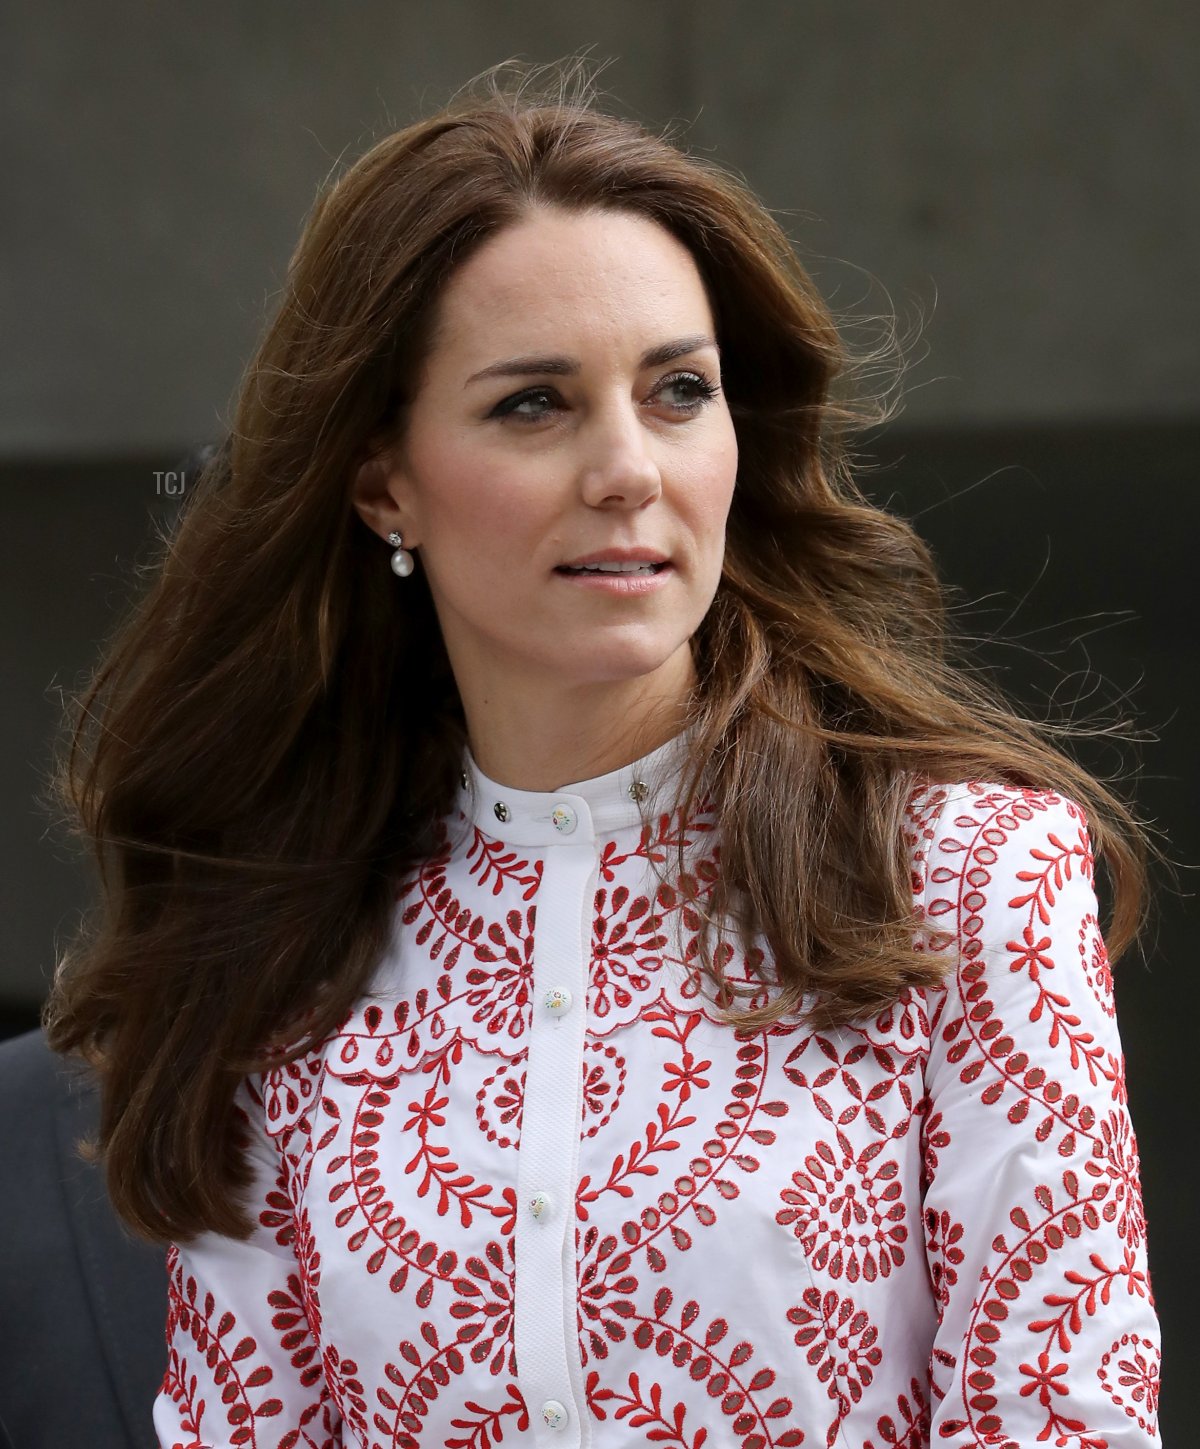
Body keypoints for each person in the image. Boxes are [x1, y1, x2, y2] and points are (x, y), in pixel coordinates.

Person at [43, 58, 1161, 1449]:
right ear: (385, 480)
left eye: (678, 391)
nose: (628, 465)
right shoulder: (288, 948)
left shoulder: (966, 878)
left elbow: (1061, 1419)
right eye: (535, 403)